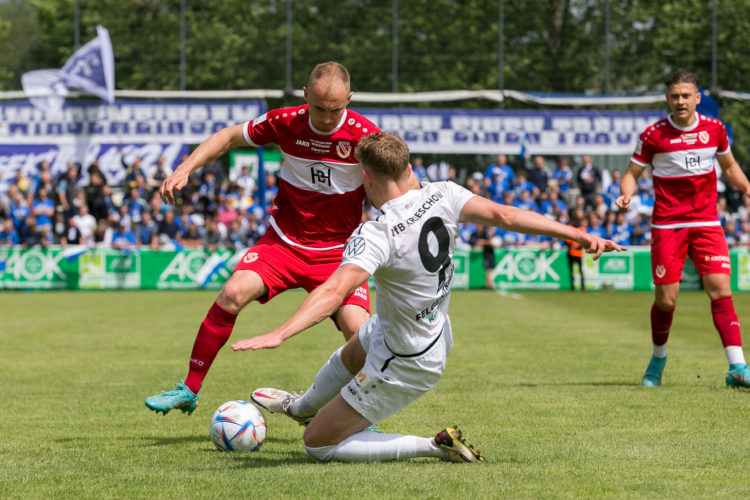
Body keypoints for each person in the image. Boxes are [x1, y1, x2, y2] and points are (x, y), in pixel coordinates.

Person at [232, 132, 624, 463]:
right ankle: (300, 407)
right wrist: (577, 233)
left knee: (317, 444)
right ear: (409, 168)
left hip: (405, 360)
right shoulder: (444, 194)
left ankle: (435, 445)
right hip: (423, 331)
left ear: (366, 178)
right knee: (356, 346)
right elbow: (506, 215)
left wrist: (279, 333)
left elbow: (335, 290)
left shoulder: (379, 232)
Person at [145, 62, 382, 415]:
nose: (328, 117)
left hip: (339, 253)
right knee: (231, 293)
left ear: (349, 98)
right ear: (305, 95)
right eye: (319, 108)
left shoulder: (365, 135)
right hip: (283, 244)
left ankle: (360, 414)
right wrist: (184, 169)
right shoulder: (285, 121)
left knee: (360, 333)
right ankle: (189, 389)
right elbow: (227, 137)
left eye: (336, 109)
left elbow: (398, 182)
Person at [615, 69, 750, 388]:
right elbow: (632, 173)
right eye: (674, 96)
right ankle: (658, 358)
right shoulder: (653, 135)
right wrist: (626, 194)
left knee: (721, 289)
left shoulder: (715, 129)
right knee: (667, 300)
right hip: (668, 225)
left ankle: (737, 367)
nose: (680, 101)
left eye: (686, 95)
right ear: (667, 99)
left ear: (697, 98)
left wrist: (747, 188)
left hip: (706, 222)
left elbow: (729, 167)